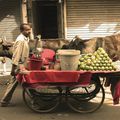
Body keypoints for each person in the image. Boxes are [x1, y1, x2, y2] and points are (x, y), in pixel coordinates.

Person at [0, 23, 31, 107]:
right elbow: (16, 55)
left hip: (22, 64)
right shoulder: (21, 40)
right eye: (27, 30)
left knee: (14, 82)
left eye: (29, 29)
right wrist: (13, 68)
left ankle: (4, 101)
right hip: (19, 65)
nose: (29, 31)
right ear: (21, 31)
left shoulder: (25, 38)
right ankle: (34, 100)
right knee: (27, 80)